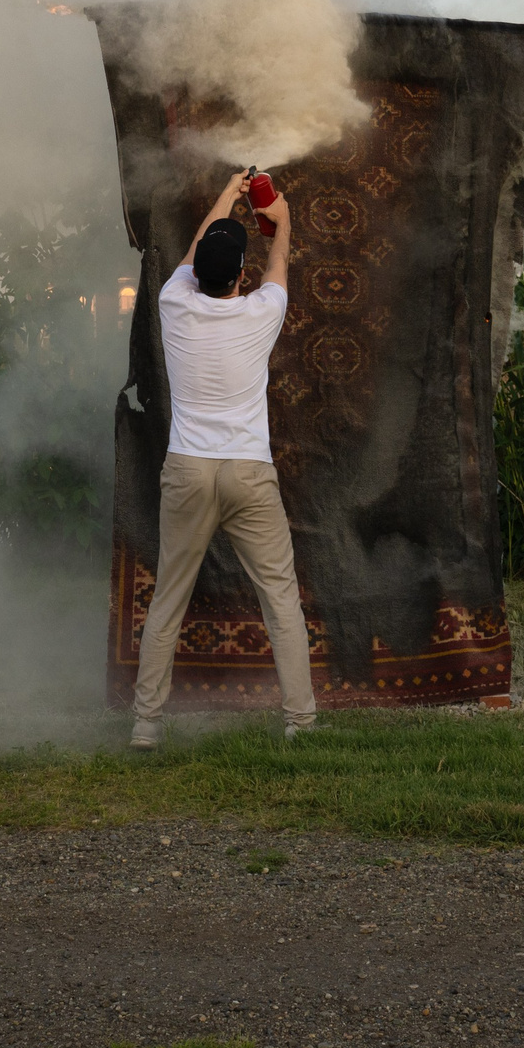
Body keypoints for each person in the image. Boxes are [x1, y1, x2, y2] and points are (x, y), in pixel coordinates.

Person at [130, 170, 318, 748]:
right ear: (242, 275)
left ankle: (145, 726)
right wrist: (277, 218)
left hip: (187, 470)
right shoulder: (262, 312)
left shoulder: (173, 302)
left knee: (168, 598)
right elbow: (280, 260)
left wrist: (225, 198)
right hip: (248, 473)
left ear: (199, 276)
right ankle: (300, 725)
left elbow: (194, 254)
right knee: (280, 597)